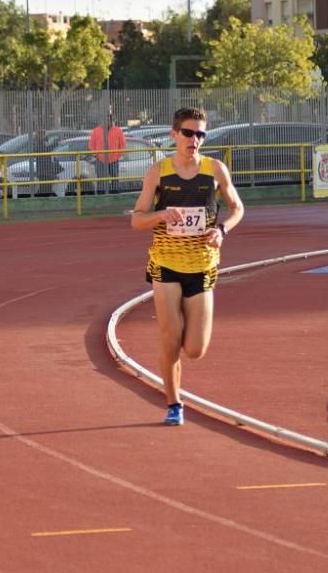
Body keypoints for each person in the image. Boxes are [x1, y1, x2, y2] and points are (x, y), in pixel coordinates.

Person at [131, 107, 245, 426]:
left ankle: (177, 357)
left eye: (200, 134)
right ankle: (174, 403)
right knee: (170, 337)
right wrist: (160, 215)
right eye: (188, 133)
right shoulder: (158, 172)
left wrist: (222, 230)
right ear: (174, 134)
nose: (194, 140)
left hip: (202, 265)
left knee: (194, 349)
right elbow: (136, 220)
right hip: (166, 264)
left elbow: (237, 207)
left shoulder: (215, 169)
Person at [88, 119, 126, 194]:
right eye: (106, 120)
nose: (108, 122)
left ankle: (115, 196)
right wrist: (96, 155)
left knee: (114, 179)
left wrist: (117, 155)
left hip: (114, 160)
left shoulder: (118, 130)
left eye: (109, 120)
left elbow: (123, 145)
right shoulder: (96, 131)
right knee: (101, 180)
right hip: (100, 160)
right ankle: (101, 196)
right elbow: (91, 145)